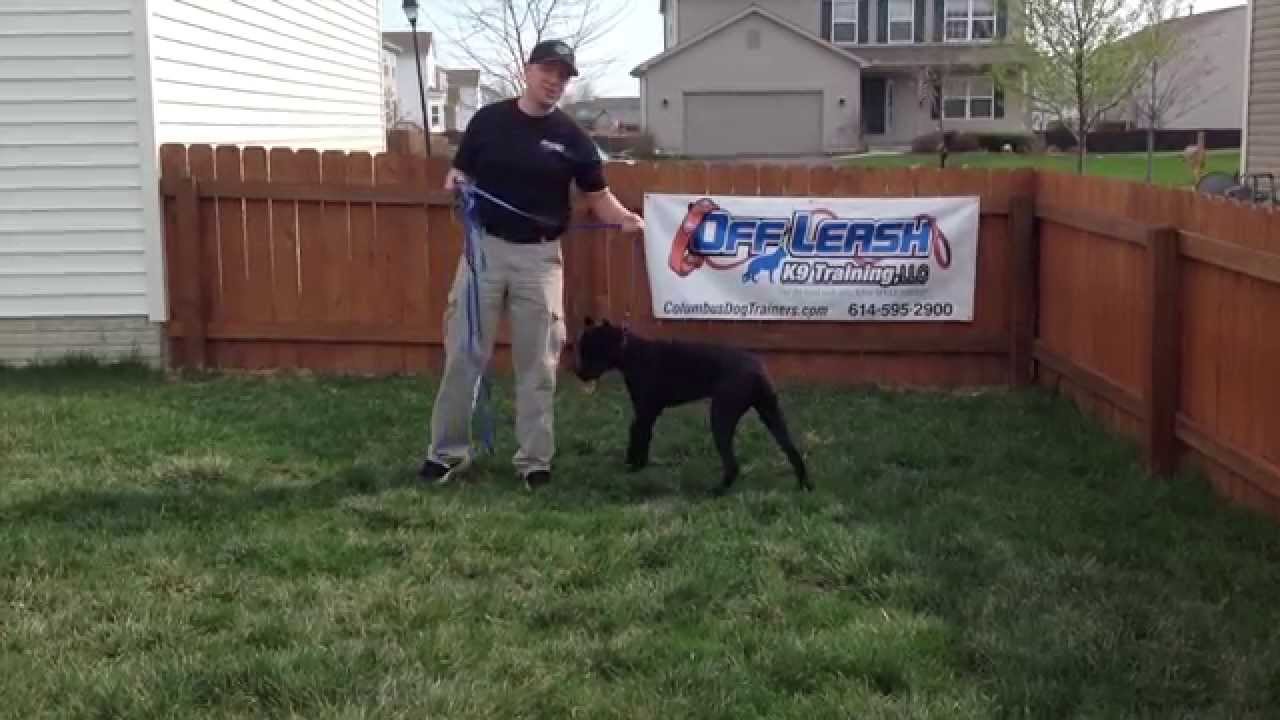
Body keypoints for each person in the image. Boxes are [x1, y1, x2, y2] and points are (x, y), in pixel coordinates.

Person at [418, 39, 645, 490]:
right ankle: (447, 454)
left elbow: (597, 197)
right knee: (463, 355)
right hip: (483, 254)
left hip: (540, 261)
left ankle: (534, 462)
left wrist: (624, 219)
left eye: (563, 75)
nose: (554, 81)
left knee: (538, 364)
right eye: (548, 70)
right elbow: (464, 172)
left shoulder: (573, 139)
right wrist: (456, 181)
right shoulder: (488, 121)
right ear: (528, 70)